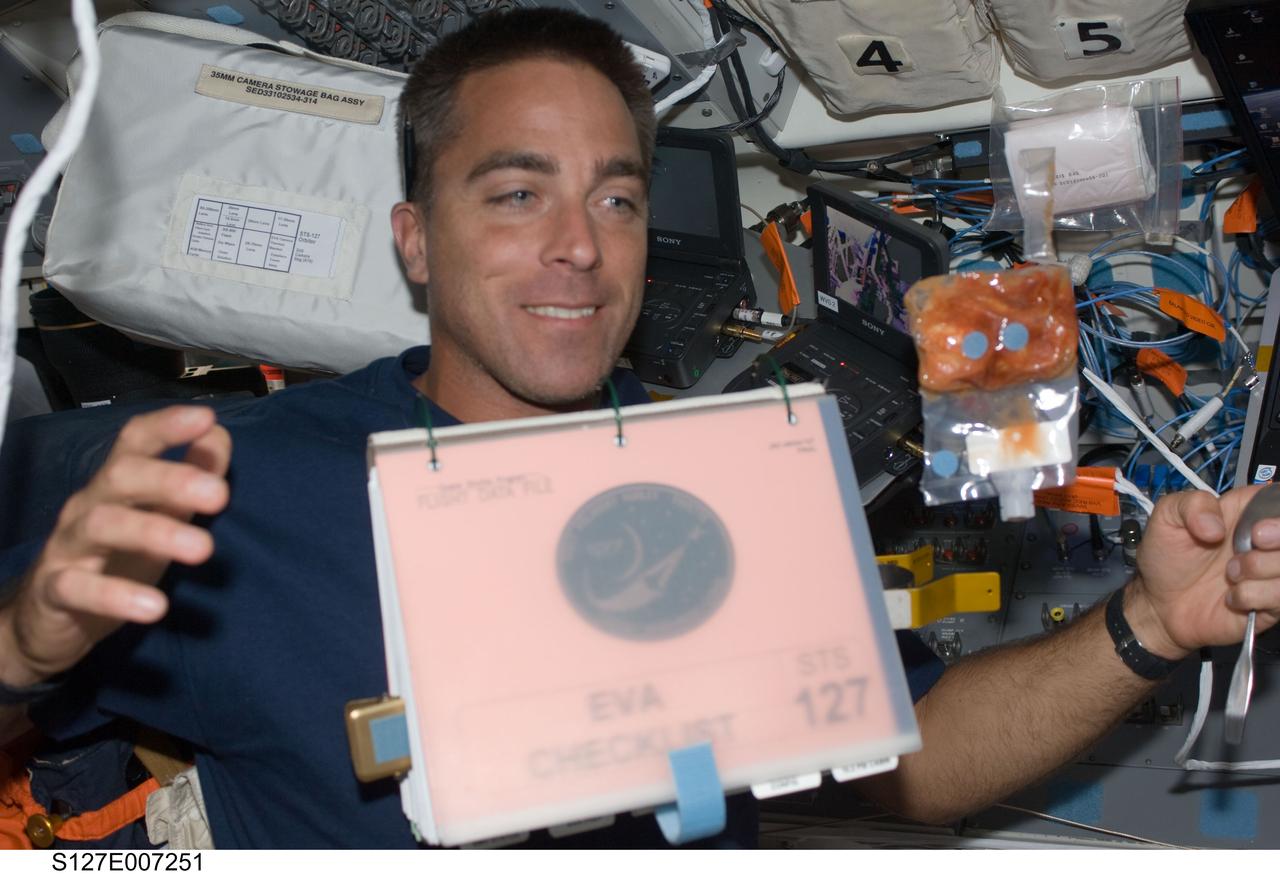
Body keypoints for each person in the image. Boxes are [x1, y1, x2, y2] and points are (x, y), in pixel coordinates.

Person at [2, 6, 1279, 849]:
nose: (577, 246)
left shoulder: (736, 485)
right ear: (414, 242)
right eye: (516, 193)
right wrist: (22, 651)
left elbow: (916, 760)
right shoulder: (229, 490)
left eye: (614, 197)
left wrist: (1154, 623)